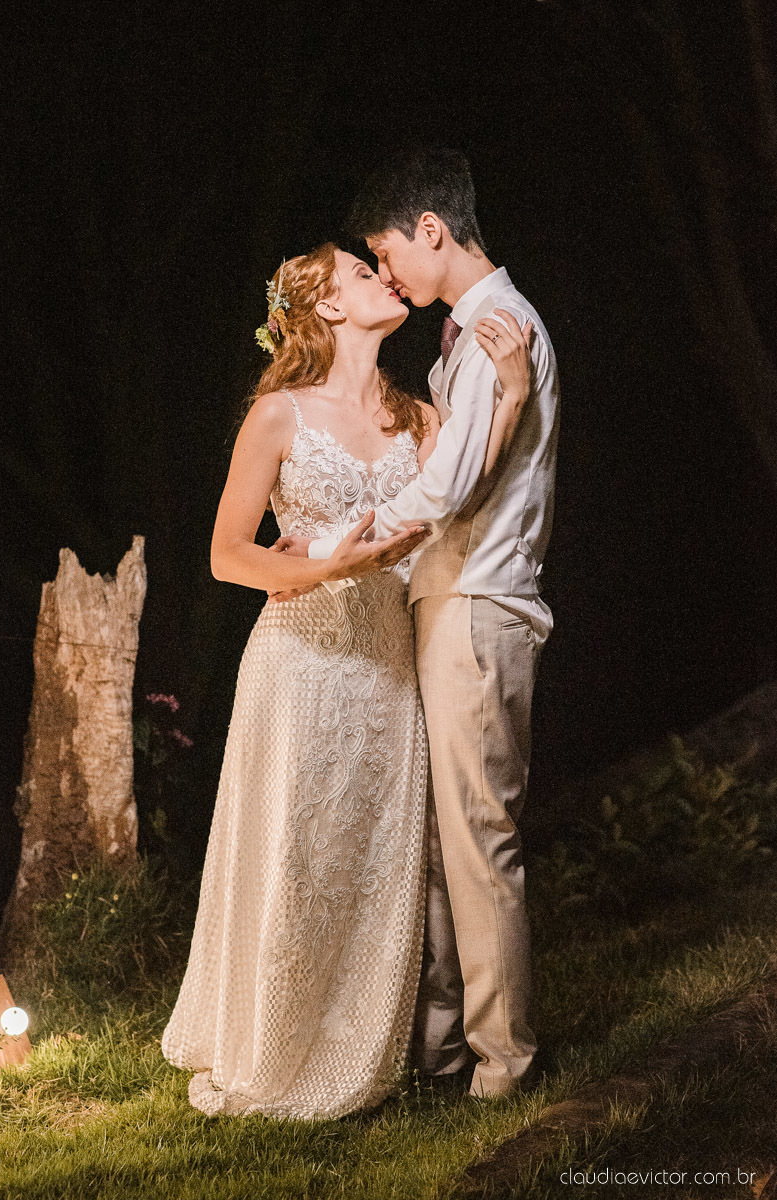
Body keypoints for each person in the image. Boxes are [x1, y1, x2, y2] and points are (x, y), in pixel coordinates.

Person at [160, 240, 533, 1120]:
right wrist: (322, 570)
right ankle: (272, 1043)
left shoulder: (422, 417)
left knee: (371, 862)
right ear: (325, 306)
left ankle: (363, 1045)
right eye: (362, 273)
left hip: (389, 666)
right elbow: (225, 557)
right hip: (301, 660)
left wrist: (512, 395)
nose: (383, 277)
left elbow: (467, 488)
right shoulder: (279, 415)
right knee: (296, 856)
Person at [277, 147, 560, 1099]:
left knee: (477, 837)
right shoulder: (467, 340)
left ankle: (504, 1063)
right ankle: (441, 1051)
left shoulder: (499, 330)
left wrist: (349, 549)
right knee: (443, 841)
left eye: (386, 254)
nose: (388, 274)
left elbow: (453, 482)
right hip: (447, 596)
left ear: (429, 231)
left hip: (479, 600)